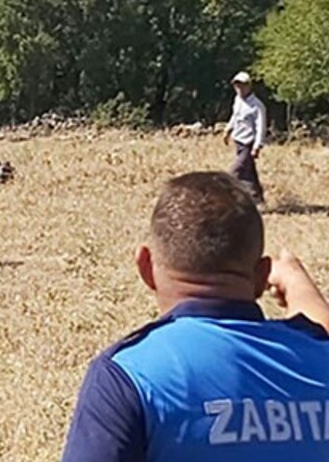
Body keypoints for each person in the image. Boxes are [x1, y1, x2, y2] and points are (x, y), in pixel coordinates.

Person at [60, 171, 329, 462]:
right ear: (261, 276)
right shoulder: (318, 355)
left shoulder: (129, 375)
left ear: (146, 268)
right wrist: (296, 281)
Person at [223, 71, 267, 204]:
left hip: (249, 142)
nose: (240, 89)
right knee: (249, 172)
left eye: (242, 85)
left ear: (249, 86)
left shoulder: (257, 106)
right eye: (237, 86)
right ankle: (257, 198)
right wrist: (228, 130)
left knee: (235, 171)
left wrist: (257, 146)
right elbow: (235, 116)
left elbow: (261, 127)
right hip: (239, 141)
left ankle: (226, 197)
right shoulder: (237, 100)